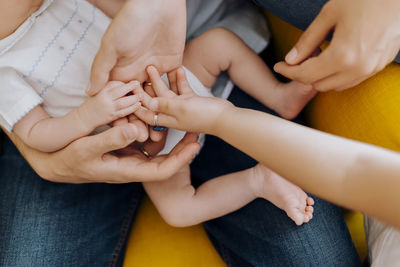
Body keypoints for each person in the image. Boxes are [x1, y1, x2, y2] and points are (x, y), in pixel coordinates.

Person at [135, 65, 400, 230]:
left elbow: (354, 173)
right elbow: (355, 173)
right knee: (177, 211)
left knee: (213, 45)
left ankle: (259, 177)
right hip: (151, 129)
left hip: (165, 104)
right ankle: (260, 176)